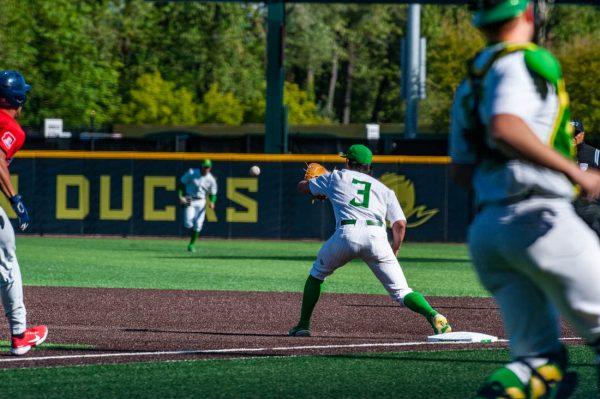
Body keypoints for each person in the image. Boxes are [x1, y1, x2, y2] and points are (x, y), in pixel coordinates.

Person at [450, 1, 600, 397]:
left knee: (537, 363)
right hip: (540, 219)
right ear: (530, 15)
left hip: (488, 232)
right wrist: (570, 171)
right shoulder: (521, 62)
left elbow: (460, 172)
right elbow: (505, 127)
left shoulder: (470, 83)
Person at [288, 144, 451, 337]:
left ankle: (303, 325)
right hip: (377, 237)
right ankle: (434, 315)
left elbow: (302, 187)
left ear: (348, 161)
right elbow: (400, 224)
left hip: (346, 234)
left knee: (317, 275)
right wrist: (395, 249)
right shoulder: (384, 190)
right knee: (403, 292)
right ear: (369, 166)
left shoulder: (336, 177)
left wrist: (315, 183)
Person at [0, 70, 48, 355]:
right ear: (19, 99)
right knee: (7, 262)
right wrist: (15, 198)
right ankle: (20, 335)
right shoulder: (12, 128)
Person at [178, 159, 217, 252]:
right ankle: (192, 231)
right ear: (201, 166)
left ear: (210, 168)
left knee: (198, 225)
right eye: (204, 167)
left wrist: (212, 202)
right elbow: (181, 184)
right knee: (188, 223)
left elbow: (213, 193)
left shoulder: (211, 179)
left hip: (201, 201)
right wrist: (180, 196)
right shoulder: (192, 173)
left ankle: (191, 245)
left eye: (207, 167)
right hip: (189, 198)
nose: (205, 169)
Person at [571, 119, 600, 238]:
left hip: (589, 205)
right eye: (569, 133)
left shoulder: (595, 154)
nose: (572, 137)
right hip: (565, 204)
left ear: (582, 135)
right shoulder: (559, 153)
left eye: (575, 133)